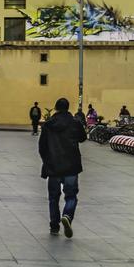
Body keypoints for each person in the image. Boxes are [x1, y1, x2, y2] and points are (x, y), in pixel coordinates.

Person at [39, 97, 87, 238]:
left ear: (56, 108)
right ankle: (67, 215)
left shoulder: (48, 125)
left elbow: (42, 147)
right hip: (71, 166)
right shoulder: (74, 123)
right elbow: (83, 138)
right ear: (67, 108)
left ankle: (54, 226)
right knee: (71, 196)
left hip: (53, 166)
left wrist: (46, 161)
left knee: (53, 198)